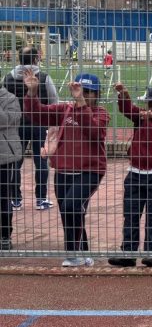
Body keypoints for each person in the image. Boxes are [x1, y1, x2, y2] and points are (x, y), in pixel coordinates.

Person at [23, 71, 109, 267]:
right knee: (69, 212)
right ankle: (83, 252)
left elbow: (94, 132)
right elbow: (36, 114)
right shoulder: (65, 109)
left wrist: (82, 104)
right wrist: (32, 93)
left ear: (97, 94)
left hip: (90, 171)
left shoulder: (101, 113)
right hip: (63, 170)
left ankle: (72, 254)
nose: (84, 94)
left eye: (88, 92)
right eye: (81, 90)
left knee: (71, 206)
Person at [108, 83, 152, 268]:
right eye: (150, 104)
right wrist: (124, 95)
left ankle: (151, 253)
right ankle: (128, 253)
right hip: (136, 172)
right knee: (131, 214)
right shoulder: (140, 117)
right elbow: (127, 109)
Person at [4, 47, 58, 211]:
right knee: (41, 160)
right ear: (35, 59)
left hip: (15, 125)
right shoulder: (43, 77)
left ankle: (15, 199)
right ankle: (41, 199)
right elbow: (54, 100)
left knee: (15, 162)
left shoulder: (8, 77)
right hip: (38, 123)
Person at [0, 83, 21, 250]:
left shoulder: (10, 99)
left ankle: (5, 235)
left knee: (3, 197)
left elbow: (5, 120)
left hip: (5, 156)